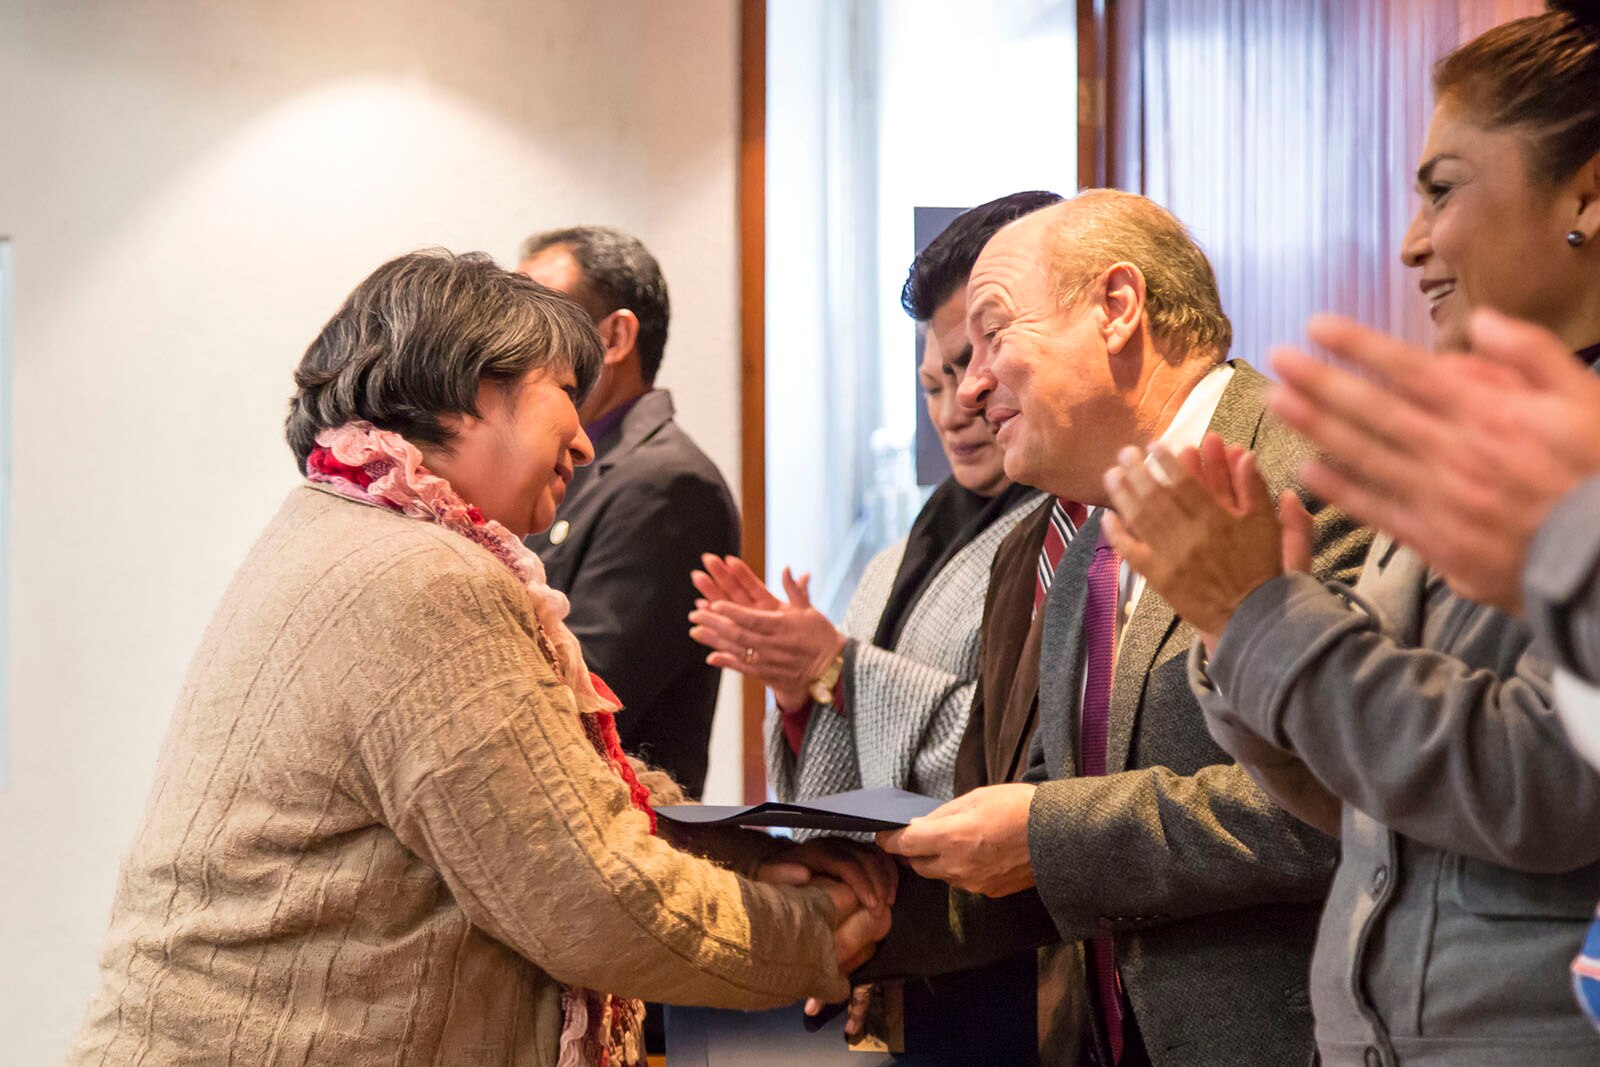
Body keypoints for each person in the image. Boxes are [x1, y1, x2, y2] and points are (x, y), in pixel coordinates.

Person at [68, 251, 895, 1067]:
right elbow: (591, 896)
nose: (581, 441)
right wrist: (815, 933)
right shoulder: (423, 576)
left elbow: (559, 797)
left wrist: (755, 857)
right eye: (566, 395)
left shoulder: (345, 526)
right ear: (471, 391)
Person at [1101, 5, 1600, 1062]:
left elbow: (1553, 786)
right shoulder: (1470, 432)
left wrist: (1260, 618)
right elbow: (1361, 802)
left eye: (1442, 188)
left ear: (1586, 195)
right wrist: (1235, 638)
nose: (1411, 239)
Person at [873, 191, 1370, 1066]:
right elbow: (1048, 808)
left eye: (993, 337)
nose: (973, 383)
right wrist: (862, 920)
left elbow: (1334, 803)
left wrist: (1041, 831)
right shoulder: (1087, 538)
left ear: (1115, 307)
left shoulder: (1307, 473)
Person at [687, 190, 1056, 810]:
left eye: (974, 367)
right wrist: (802, 691)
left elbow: (1033, 758)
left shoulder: (1070, 525)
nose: (956, 409)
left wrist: (838, 669)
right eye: (933, 387)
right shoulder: (900, 555)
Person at [518, 226, 737, 797]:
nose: (514, 348)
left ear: (614, 337)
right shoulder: (565, 464)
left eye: (544, 323)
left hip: (627, 831)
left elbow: (590, 694)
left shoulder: (667, 483)